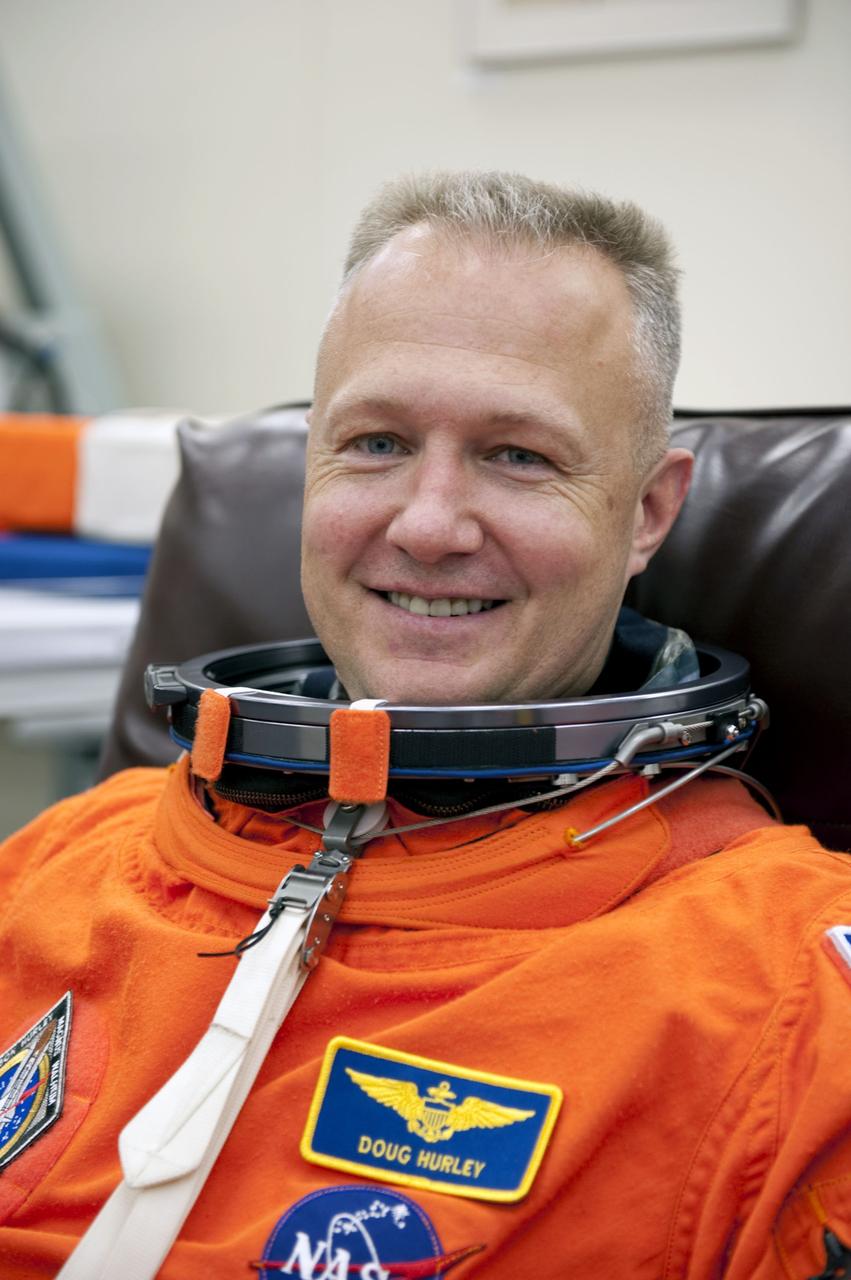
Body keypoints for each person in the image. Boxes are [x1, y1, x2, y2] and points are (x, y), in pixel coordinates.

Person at [1, 171, 850, 1280]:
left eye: (517, 455)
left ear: (647, 510)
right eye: (376, 442)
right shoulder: (58, 857)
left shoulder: (782, 992)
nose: (428, 523)